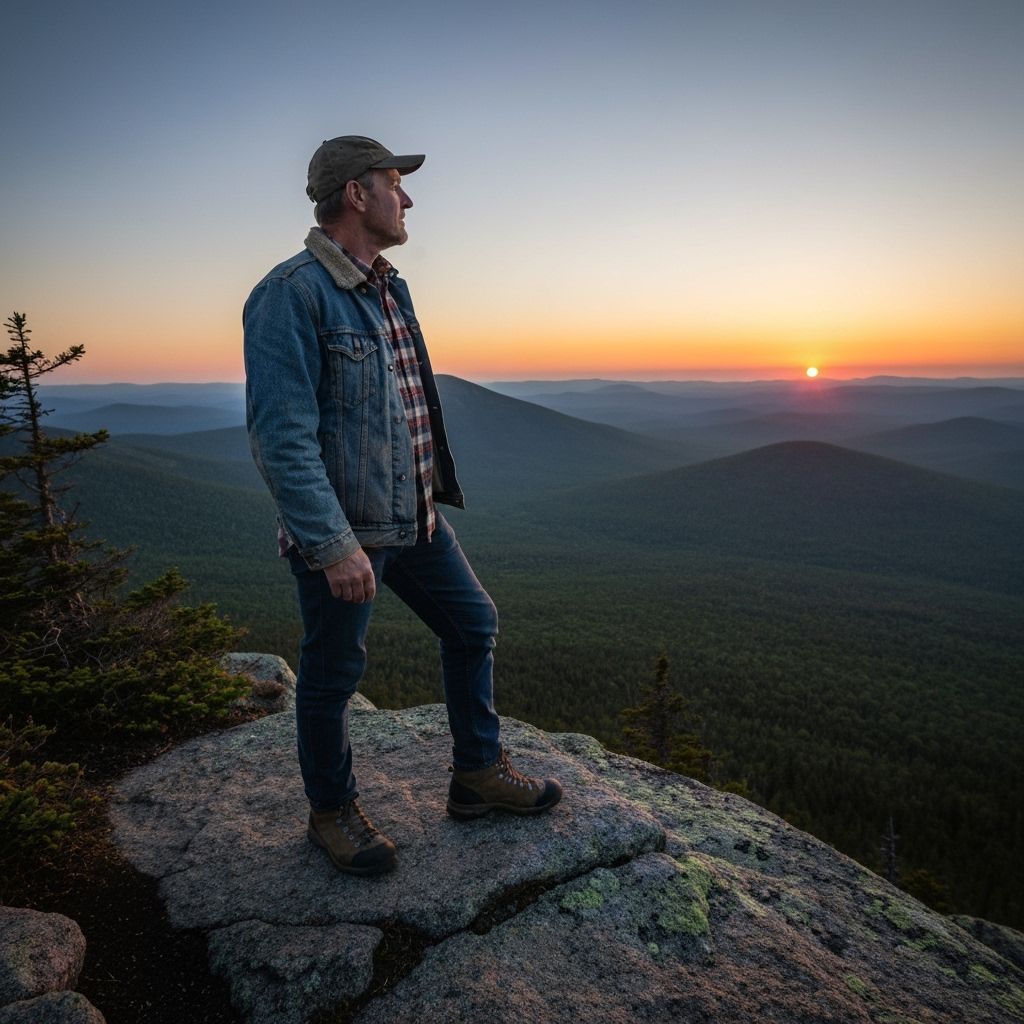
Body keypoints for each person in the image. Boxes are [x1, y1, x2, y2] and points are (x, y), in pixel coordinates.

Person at [243, 135, 562, 876]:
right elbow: (280, 437)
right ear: (357, 194)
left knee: (473, 623)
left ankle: (477, 777)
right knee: (332, 674)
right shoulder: (290, 294)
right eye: (395, 183)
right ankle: (332, 813)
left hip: (413, 517)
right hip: (348, 533)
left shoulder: (390, 285)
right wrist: (331, 544)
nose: (408, 198)